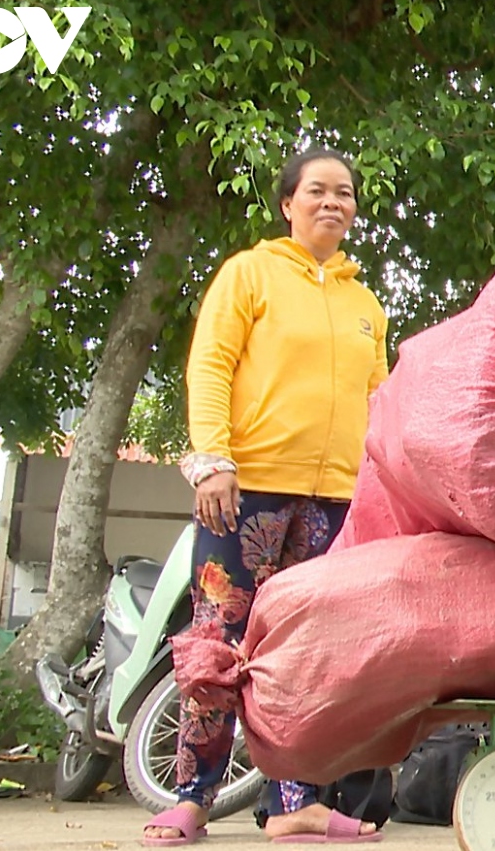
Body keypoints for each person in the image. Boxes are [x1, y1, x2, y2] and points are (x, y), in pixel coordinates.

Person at [143, 148, 390, 846]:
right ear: (288, 204)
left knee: (306, 651)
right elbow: (211, 364)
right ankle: (193, 796)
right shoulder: (248, 274)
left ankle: (295, 803)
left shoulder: (364, 303)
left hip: (333, 501)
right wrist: (212, 461)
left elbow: (380, 400)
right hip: (245, 488)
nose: (332, 203)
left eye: (345, 193)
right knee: (218, 641)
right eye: (318, 191)